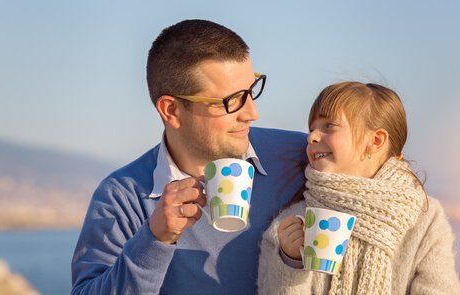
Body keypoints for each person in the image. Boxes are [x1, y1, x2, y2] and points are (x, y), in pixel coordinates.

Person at [71, 19, 307, 294]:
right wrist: (154, 239)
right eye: (232, 101)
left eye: (251, 91)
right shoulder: (122, 197)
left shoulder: (298, 156)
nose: (252, 113)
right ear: (171, 110)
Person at [257, 82, 460, 294]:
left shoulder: (425, 219)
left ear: (375, 140)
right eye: (311, 129)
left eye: (329, 126)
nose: (312, 137)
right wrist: (290, 261)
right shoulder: (293, 222)